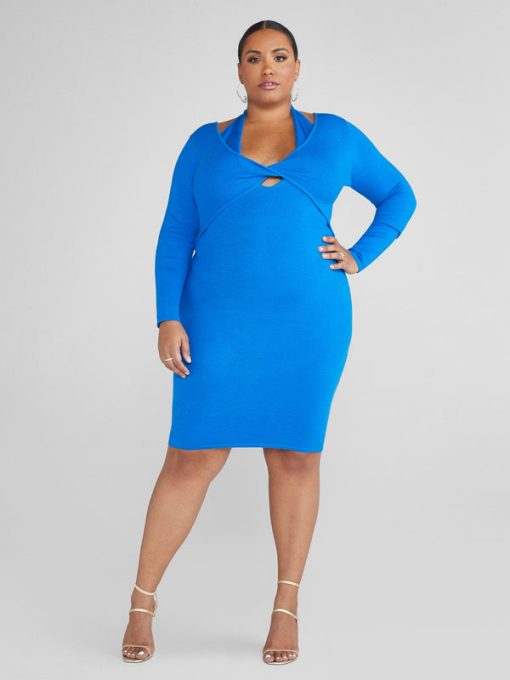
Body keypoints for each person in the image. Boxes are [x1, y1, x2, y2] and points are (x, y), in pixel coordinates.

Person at [121, 19, 417, 666]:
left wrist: (361, 254)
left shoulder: (336, 135)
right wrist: (167, 316)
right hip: (215, 322)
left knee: (295, 458)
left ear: (297, 66)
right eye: (254, 58)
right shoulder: (203, 144)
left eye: (279, 56)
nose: (268, 68)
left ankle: (286, 608)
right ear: (239, 71)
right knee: (191, 458)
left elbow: (399, 194)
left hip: (307, 324)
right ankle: (142, 602)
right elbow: (175, 234)